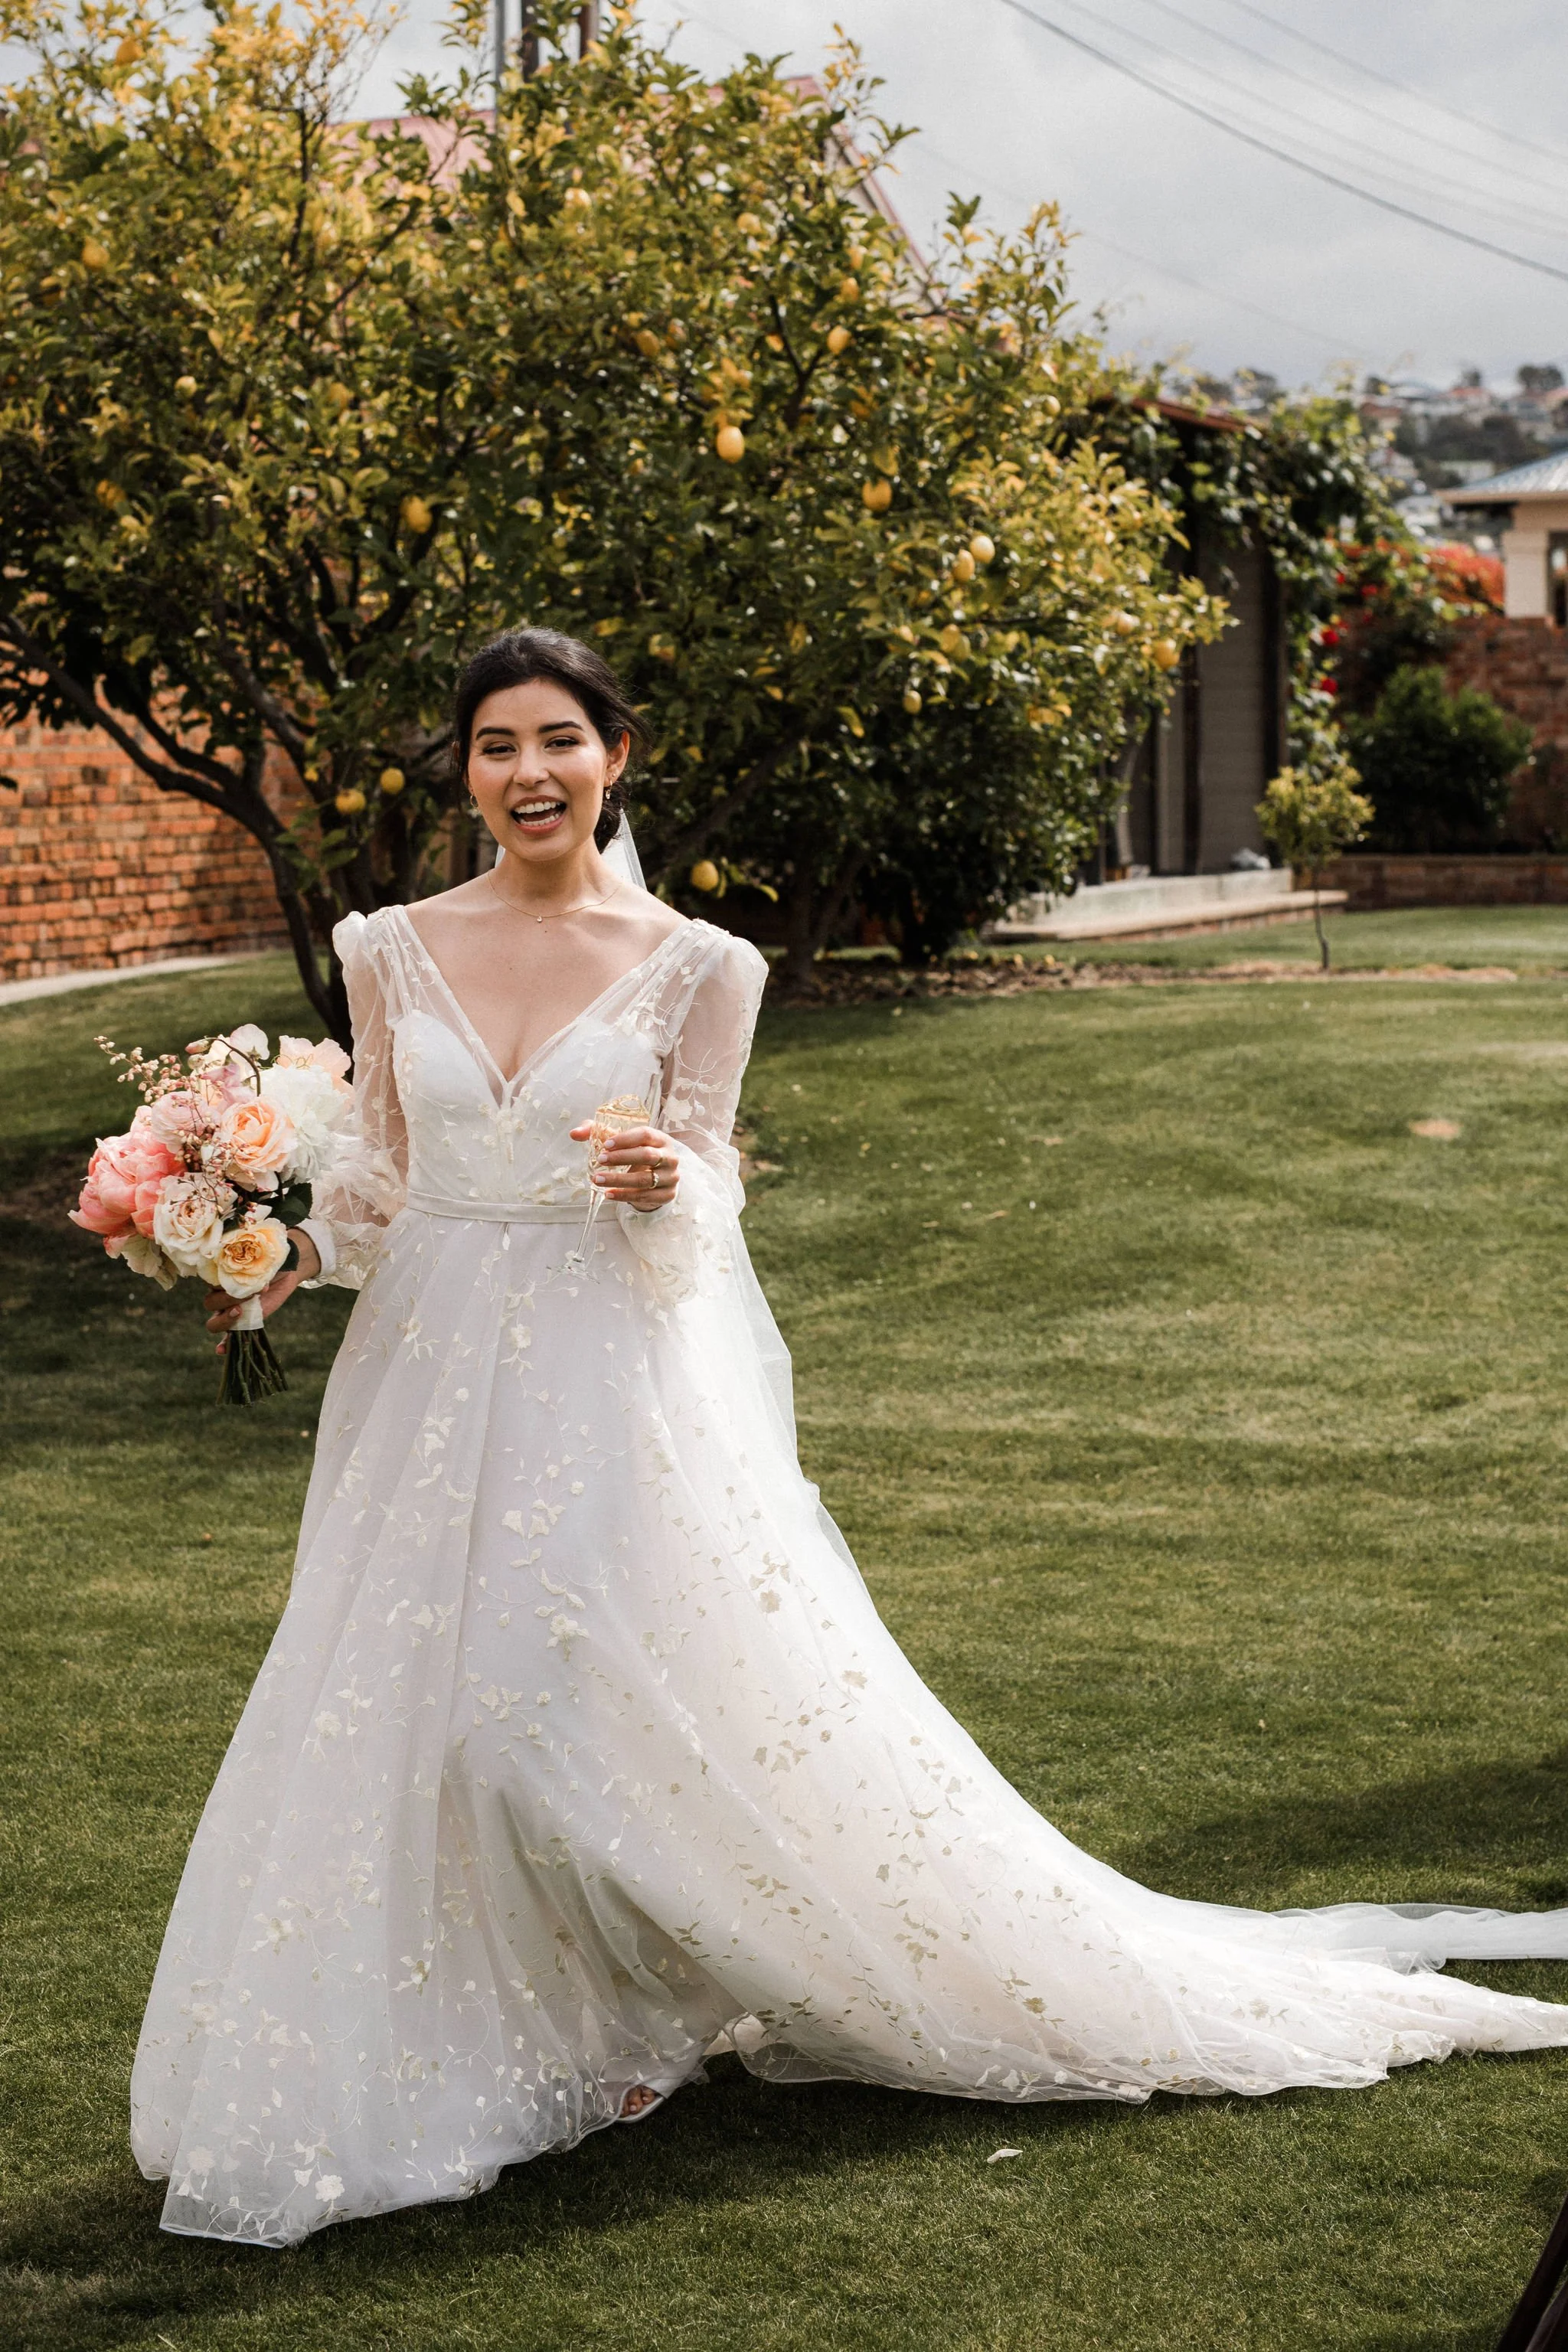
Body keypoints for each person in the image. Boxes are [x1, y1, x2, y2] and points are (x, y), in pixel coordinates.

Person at [132, 628, 1568, 2249]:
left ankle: (641, 2006)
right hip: (420, 1382)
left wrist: (679, 1188)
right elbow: (386, 1187)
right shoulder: (387, 947)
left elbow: (704, 1191)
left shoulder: (704, 966)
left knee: (557, 1708)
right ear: (462, 769)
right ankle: (549, 2025)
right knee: (419, 1706)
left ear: (617, 757)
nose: (524, 773)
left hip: (606, 1385)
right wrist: (260, 1259)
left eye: (556, 740)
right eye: (490, 745)